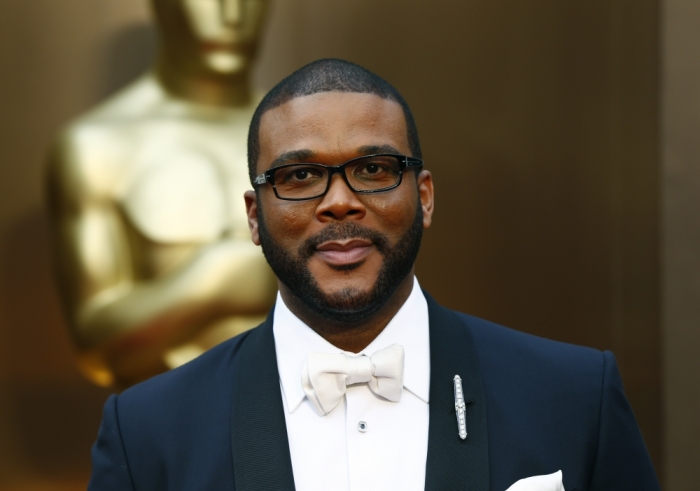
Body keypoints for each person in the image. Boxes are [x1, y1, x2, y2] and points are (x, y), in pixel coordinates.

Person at [88, 59, 660, 490]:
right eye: (301, 176)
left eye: (373, 168)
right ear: (255, 216)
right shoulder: (147, 434)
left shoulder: (575, 397)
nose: (340, 202)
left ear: (426, 197)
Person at [45, 0, 277, 389]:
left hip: (304, 429)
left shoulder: (309, 137)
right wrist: (215, 281)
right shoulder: (96, 148)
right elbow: (95, 342)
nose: (232, 16)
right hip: (164, 437)